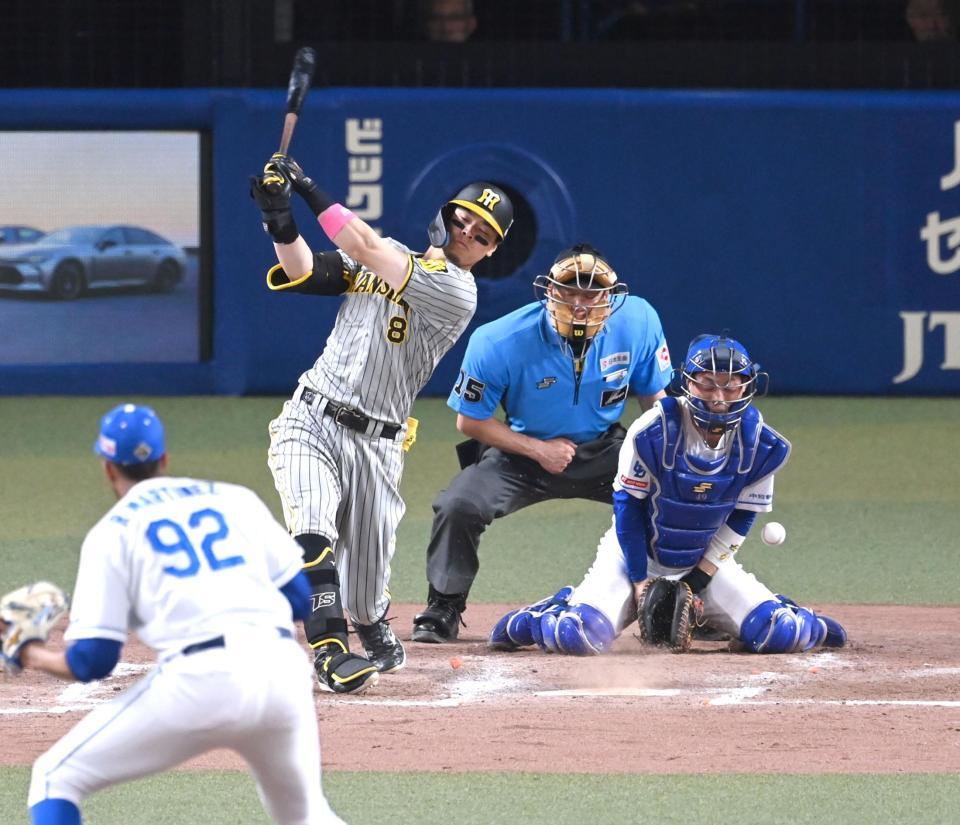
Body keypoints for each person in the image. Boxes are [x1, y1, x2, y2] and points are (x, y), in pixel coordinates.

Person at [250, 153, 514, 693]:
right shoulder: (389, 252)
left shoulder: (457, 293)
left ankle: (369, 620)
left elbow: (362, 247)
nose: (468, 231)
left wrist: (308, 187)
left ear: (489, 251)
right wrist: (279, 219)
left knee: (364, 590)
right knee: (312, 528)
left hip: (378, 445)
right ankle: (329, 650)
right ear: (445, 214)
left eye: (483, 233)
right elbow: (304, 271)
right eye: (464, 218)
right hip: (312, 416)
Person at [13, 403, 344, 825]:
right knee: (306, 817)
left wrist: (29, 654)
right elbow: (300, 599)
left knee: (54, 779)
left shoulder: (111, 533)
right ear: (164, 459)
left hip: (199, 684)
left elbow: (91, 659)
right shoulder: (234, 498)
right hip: (282, 675)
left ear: (108, 469)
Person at [489, 333, 847, 656]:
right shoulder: (653, 431)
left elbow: (741, 516)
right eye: (707, 384)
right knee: (576, 635)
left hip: (701, 561)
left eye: (730, 385)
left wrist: (695, 584)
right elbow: (627, 508)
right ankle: (549, 611)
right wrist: (641, 581)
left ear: (747, 387)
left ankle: (789, 611)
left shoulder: (762, 444)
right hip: (634, 557)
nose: (719, 398)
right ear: (687, 384)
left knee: (782, 633)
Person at [411, 243, 672, 644]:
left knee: (675, 496)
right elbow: (470, 421)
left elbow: (655, 402)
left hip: (606, 451)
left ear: (611, 296)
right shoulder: (498, 340)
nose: (580, 304)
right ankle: (444, 605)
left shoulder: (638, 321)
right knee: (459, 504)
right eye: (569, 291)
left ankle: (677, 600)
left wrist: (673, 461)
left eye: (592, 293)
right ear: (549, 291)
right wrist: (536, 450)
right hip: (522, 453)